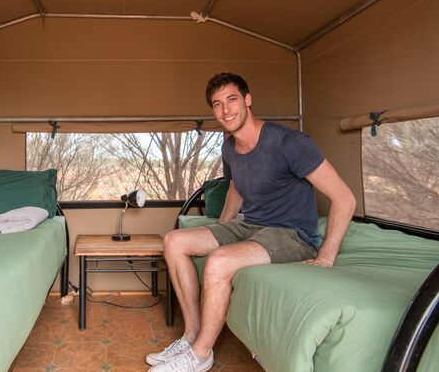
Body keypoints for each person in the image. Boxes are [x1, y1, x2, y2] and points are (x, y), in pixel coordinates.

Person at [146, 72, 356, 372]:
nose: (225, 110)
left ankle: (202, 354)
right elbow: (235, 187)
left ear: (247, 100)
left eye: (231, 100)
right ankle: (192, 336)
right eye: (217, 105)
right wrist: (220, 227)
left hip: (292, 234)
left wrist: (326, 255)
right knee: (174, 241)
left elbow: (345, 198)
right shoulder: (229, 147)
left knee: (219, 261)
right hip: (251, 224)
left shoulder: (290, 143)